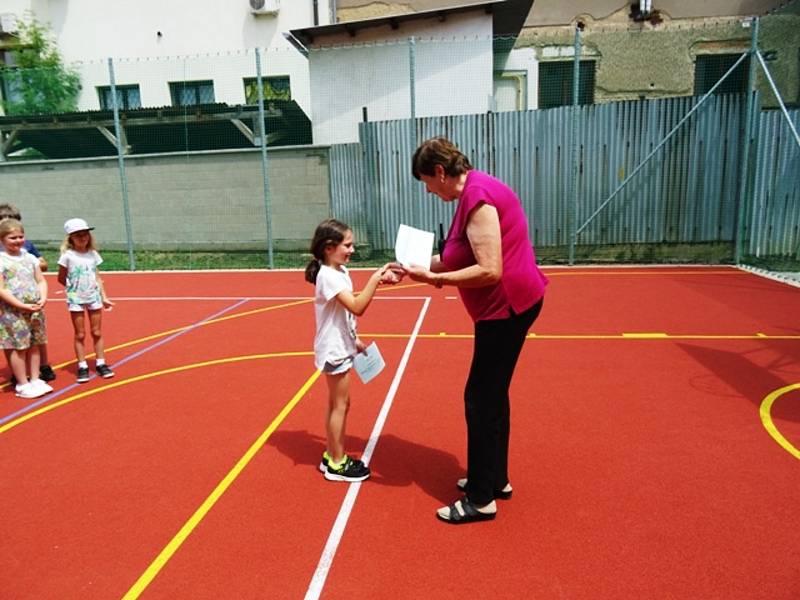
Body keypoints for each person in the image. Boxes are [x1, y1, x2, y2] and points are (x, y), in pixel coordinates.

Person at [402, 137, 548, 524]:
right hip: (510, 306)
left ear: (439, 172)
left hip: (507, 308)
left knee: (480, 399)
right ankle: (494, 478)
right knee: (493, 395)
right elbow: (456, 254)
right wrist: (412, 266)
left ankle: (481, 499)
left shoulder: (478, 199)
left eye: (427, 183)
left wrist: (434, 280)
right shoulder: (473, 192)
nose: (430, 191)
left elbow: (489, 270)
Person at [305, 218, 398, 482]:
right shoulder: (328, 276)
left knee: (339, 404)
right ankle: (336, 462)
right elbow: (357, 306)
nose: (352, 250)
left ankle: (331, 453)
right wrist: (375, 280)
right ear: (329, 248)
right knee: (340, 405)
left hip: (341, 345)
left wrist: (354, 339)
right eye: (348, 245)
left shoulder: (339, 272)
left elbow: (344, 314)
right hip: (333, 351)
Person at [0, 203, 56, 383]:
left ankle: (43, 365)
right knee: (11, 338)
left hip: (29, 297)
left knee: (36, 336)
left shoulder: (27, 248)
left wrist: (31, 264)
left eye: (11, 220)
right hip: (9, 301)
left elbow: (42, 265)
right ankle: (18, 374)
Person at [57, 218, 115, 383]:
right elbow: (61, 278)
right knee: (80, 334)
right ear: (71, 238)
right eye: (78, 235)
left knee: (96, 332)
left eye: (85, 234)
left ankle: (100, 363)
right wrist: (73, 290)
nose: (83, 238)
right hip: (76, 299)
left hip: (93, 297)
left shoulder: (92, 255)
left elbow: (97, 276)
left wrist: (104, 297)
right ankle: (82, 365)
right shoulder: (67, 256)